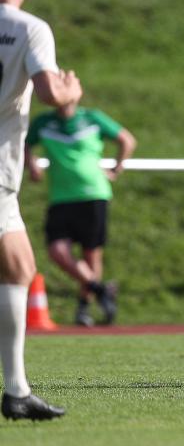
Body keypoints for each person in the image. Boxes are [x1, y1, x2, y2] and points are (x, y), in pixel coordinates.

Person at [0, 0, 80, 421]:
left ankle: (17, 391)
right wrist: (73, 88)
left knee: (19, 266)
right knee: (17, 268)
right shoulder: (29, 28)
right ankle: (15, 391)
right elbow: (51, 91)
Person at [24, 93, 136, 326]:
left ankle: (84, 308)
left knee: (91, 254)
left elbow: (126, 140)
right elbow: (24, 144)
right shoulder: (43, 123)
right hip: (60, 197)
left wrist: (117, 168)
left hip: (93, 194)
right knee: (57, 251)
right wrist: (31, 164)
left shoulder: (92, 118)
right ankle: (101, 289)